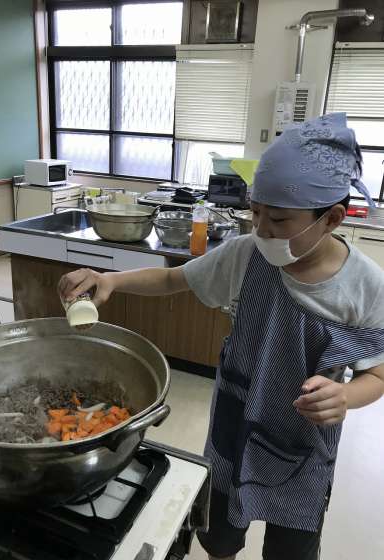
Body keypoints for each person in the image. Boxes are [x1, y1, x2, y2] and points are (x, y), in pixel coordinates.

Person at [58, 113, 384, 560]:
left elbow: (377, 374)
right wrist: (110, 279)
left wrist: (345, 396)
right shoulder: (247, 254)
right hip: (235, 426)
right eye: (256, 212)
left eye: (279, 220)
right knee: (220, 538)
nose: (261, 230)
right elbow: (173, 279)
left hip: (303, 443)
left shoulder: (365, 286)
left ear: (331, 218)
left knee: (291, 549)